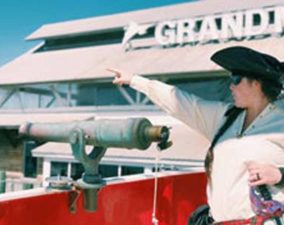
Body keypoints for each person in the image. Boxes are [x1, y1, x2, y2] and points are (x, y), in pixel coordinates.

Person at [107, 46, 284, 224]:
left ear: (256, 83)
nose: (231, 86)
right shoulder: (225, 117)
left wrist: (280, 174)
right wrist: (135, 81)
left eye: (236, 79)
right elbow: (183, 103)